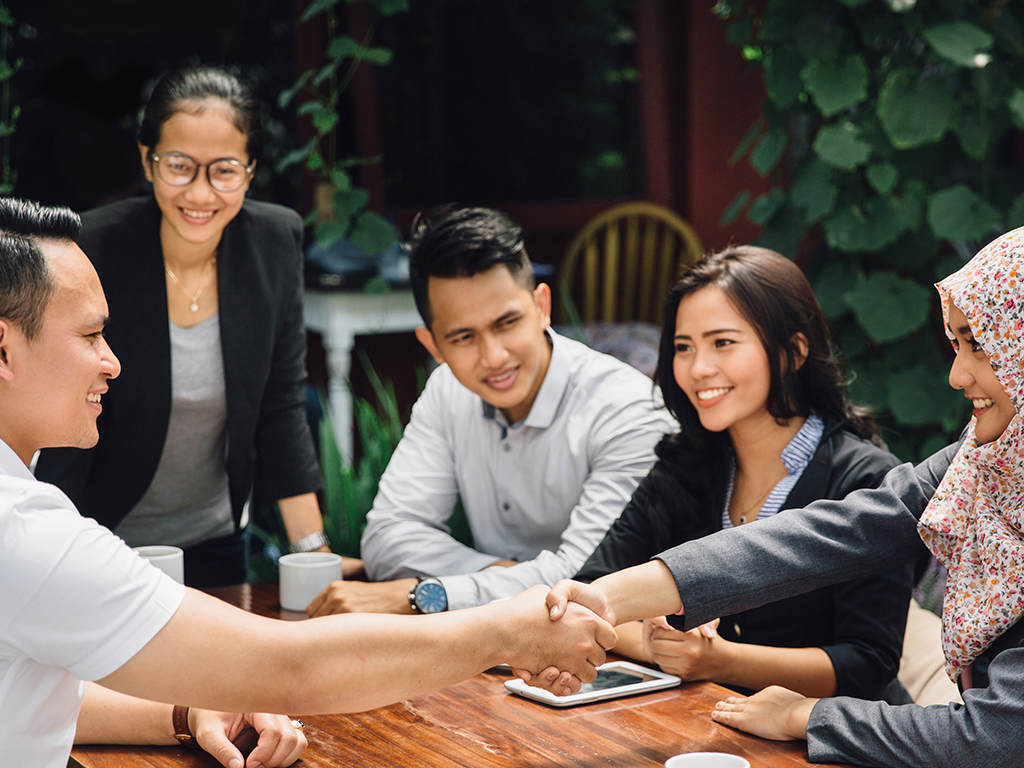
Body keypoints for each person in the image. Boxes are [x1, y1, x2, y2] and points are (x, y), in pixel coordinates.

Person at [0, 197, 615, 768]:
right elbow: (289, 665)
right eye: (90, 335)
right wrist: (506, 625)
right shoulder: (23, 529)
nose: (112, 360)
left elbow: (35, 689)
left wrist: (186, 712)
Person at [543, 227, 1024, 767]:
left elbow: (991, 734)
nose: (957, 375)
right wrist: (617, 602)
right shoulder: (984, 457)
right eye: (683, 346)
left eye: (979, 345)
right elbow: (831, 533)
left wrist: (794, 708)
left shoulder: (865, 466)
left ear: (793, 351)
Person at [35, 65, 338, 588]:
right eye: (180, 165)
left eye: (223, 170)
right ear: (147, 162)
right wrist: (54, 555)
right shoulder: (93, 249)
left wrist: (314, 557)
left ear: (250, 169)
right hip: (101, 541)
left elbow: (281, 404)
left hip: (216, 541)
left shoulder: (273, 242)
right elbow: (60, 409)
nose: (200, 193)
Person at [575, 246, 912, 701]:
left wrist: (720, 660)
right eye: (683, 347)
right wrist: (655, 639)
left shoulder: (866, 480)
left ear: (793, 351)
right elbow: (593, 584)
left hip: (828, 741)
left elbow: (867, 663)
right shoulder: (685, 463)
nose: (698, 369)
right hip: (705, 727)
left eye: (723, 343)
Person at [306, 206, 675, 617]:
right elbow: (388, 537)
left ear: (542, 307)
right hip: (498, 648)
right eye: (463, 337)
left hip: (631, 653)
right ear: (433, 347)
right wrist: (511, 577)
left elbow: (588, 578)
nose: (494, 357)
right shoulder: (448, 390)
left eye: (507, 323)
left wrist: (434, 593)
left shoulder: (630, 410)